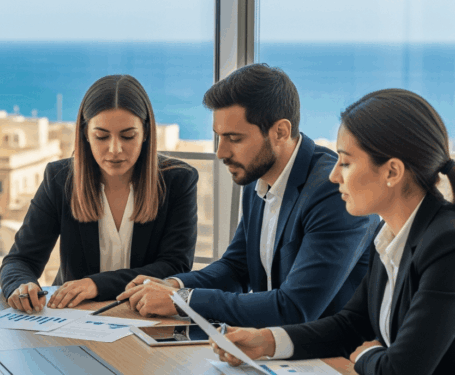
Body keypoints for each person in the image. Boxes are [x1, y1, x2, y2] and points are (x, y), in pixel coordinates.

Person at [211, 89, 455, 375]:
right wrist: (266, 341)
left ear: (392, 172)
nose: (334, 175)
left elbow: (401, 370)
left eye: (346, 162)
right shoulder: (389, 236)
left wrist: (367, 354)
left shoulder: (445, 246)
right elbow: (351, 324)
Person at [118, 63, 378, 327]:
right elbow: (236, 267)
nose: (221, 152)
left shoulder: (332, 192)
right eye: (219, 137)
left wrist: (182, 299)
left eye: (234, 138)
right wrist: (172, 284)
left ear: (280, 132)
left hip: (334, 359)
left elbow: (295, 308)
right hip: (273, 347)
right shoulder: (259, 177)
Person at [0, 74, 199, 313]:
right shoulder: (60, 179)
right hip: (74, 317)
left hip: (146, 316)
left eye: (128, 136)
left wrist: (96, 284)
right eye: (101, 136)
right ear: (85, 133)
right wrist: (21, 287)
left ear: (145, 132)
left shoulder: (178, 180)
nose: (115, 149)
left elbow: (174, 266)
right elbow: (19, 260)